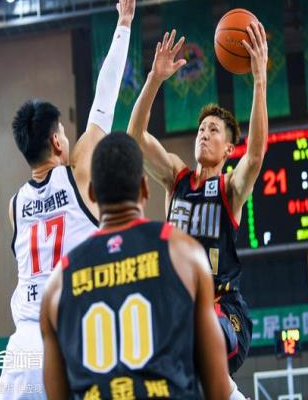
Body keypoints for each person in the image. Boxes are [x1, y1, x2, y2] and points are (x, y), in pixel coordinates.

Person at [0, 0, 140, 399]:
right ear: (58, 141)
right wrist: (124, 23)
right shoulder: (78, 175)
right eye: (65, 132)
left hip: (22, 349)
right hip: (75, 336)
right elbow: (104, 102)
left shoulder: (14, 206)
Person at [127, 24, 268, 398]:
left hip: (226, 313)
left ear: (228, 150)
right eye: (201, 129)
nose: (204, 133)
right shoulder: (177, 178)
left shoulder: (230, 189)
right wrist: (154, 80)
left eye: (214, 130)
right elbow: (135, 138)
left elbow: (256, 156)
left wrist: (259, 80)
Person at [40, 132, 230, 400]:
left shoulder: (57, 283)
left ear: (92, 193)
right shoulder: (185, 254)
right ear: (144, 188)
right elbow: (218, 390)